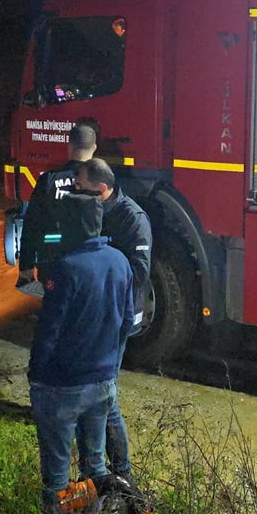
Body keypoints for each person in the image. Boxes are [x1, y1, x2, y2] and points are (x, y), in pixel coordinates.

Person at [28, 193, 133, 514]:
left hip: (62, 386)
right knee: (96, 464)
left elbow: (49, 331)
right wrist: (110, 367)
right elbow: (127, 321)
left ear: (70, 226)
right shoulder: (120, 261)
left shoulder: (67, 268)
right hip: (102, 384)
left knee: (57, 477)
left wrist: (36, 374)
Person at [73, 156, 151, 481]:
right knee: (99, 393)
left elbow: (140, 273)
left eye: (82, 188)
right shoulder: (89, 211)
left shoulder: (132, 219)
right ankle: (110, 475)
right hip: (92, 316)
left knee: (104, 395)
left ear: (102, 189)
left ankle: (118, 476)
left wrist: (100, 273)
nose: (75, 192)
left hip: (115, 318)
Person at [16, 121, 97, 290]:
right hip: (90, 263)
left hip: (52, 261)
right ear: (94, 148)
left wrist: (26, 266)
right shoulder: (100, 182)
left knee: (56, 309)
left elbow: (32, 224)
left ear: (69, 146)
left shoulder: (49, 180)